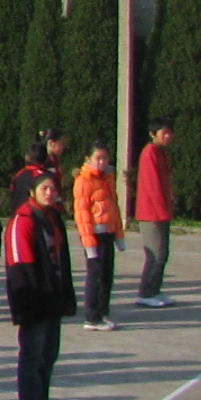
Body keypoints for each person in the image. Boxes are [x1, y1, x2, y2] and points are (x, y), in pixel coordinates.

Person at [5, 171, 77, 400]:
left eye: (53, 188)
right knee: (33, 355)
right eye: (44, 188)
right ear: (32, 192)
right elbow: (20, 267)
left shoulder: (53, 217)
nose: (49, 193)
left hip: (52, 296)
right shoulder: (23, 220)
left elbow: (62, 259)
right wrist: (29, 303)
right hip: (34, 299)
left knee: (49, 354)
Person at [71, 141, 124, 333]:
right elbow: (82, 214)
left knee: (107, 275)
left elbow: (114, 208)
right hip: (94, 235)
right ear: (88, 159)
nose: (102, 162)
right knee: (95, 276)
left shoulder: (107, 178)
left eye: (105, 158)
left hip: (107, 232)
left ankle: (102, 312)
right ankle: (92, 316)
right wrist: (89, 243)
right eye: (98, 158)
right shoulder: (84, 181)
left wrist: (118, 235)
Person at [132, 118, 176, 308]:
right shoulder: (149, 153)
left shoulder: (160, 152)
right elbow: (152, 187)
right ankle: (145, 293)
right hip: (151, 214)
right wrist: (162, 211)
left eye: (169, 132)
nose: (168, 136)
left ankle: (155, 290)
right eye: (164, 132)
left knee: (163, 253)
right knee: (155, 254)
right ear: (153, 134)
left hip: (162, 212)